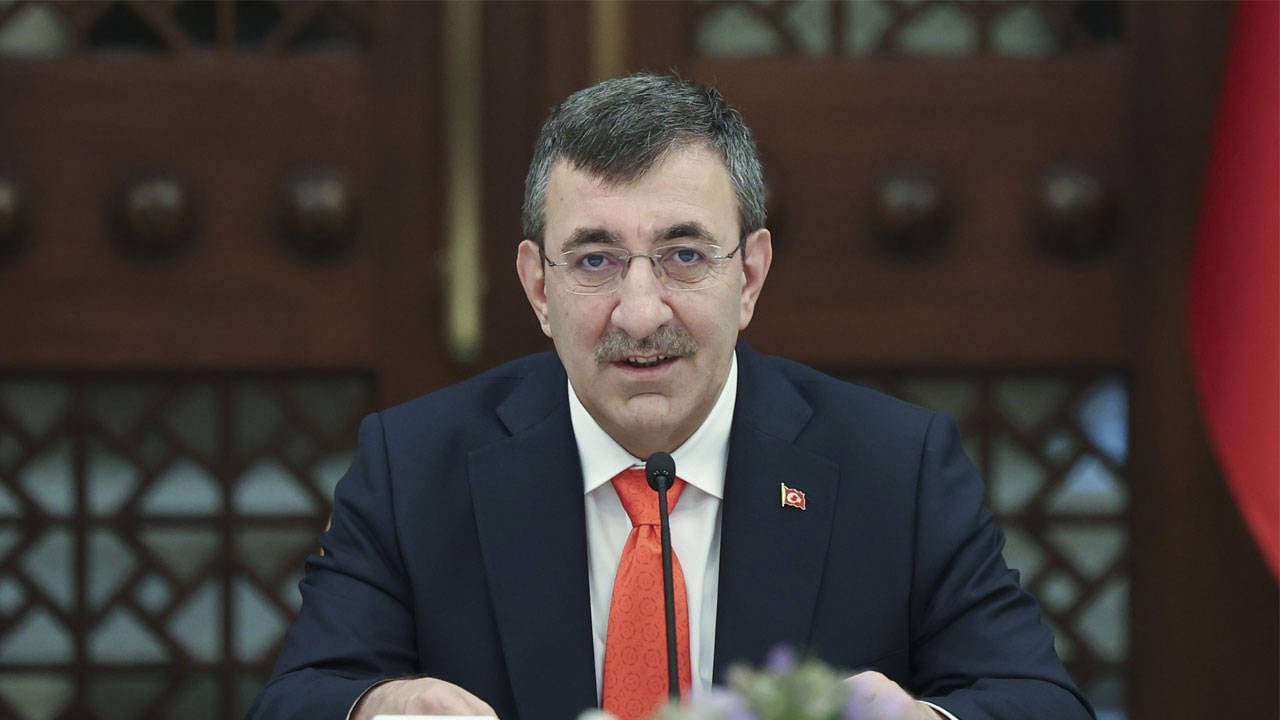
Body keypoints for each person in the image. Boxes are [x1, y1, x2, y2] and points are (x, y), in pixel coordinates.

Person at [248, 74, 1094, 720]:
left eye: (684, 256)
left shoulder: (896, 468)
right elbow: (300, 698)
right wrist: (375, 708)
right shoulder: (412, 466)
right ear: (538, 287)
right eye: (595, 261)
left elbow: (1039, 702)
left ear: (750, 275)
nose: (641, 311)